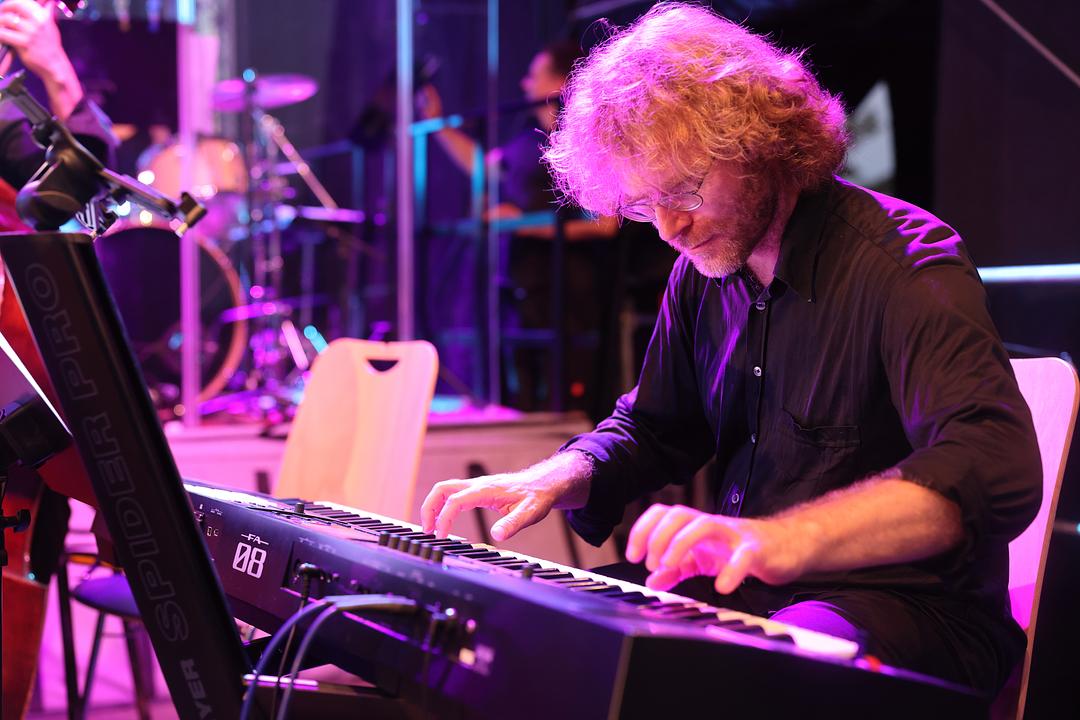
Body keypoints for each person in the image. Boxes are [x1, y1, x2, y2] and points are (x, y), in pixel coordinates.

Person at [420, 2, 1041, 696]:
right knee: (526, 640)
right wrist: (560, 473)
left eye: (685, 190)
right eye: (641, 206)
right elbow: (655, 427)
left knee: (731, 685)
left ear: (760, 143)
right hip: (750, 590)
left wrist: (781, 539)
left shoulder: (904, 263)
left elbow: (992, 465)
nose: (668, 228)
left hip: (906, 609)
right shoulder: (702, 272)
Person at [418, 41, 620, 412]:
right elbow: (484, 167)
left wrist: (523, 224)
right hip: (524, 283)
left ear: (561, 83)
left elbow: (606, 225)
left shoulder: (589, 141)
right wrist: (439, 123)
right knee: (524, 389)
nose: (525, 84)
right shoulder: (528, 140)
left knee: (567, 392)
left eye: (534, 75)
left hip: (570, 288)